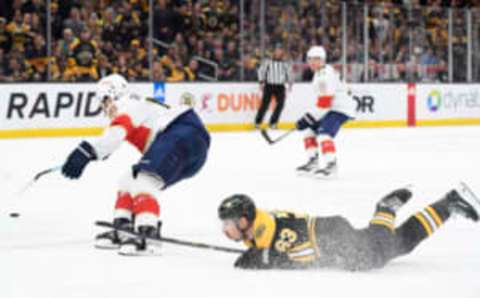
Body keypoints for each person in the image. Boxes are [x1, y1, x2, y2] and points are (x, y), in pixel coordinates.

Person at [61, 73, 210, 255]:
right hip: (191, 148)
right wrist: (91, 153)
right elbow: (111, 140)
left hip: (181, 134)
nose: (104, 107)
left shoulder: (126, 103)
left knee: (143, 180)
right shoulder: (136, 105)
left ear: (112, 95)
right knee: (128, 180)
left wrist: (84, 152)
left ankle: (148, 234)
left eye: (104, 101)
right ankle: (124, 227)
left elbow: (115, 136)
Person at [218, 182, 480, 270]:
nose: (225, 230)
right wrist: (260, 254)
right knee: (397, 243)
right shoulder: (258, 226)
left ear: (243, 221)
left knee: (379, 254)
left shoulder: (271, 234)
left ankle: (390, 209)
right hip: (332, 231)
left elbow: (305, 254)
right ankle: (442, 206)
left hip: (334, 237)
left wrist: (266, 259)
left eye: (228, 224)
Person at [295, 46, 355, 178]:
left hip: (340, 109)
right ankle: (313, 162)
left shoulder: (324, 75)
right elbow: (324, 104)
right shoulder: (320, 73)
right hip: (332, 108)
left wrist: (307, 119)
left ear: (323, 60)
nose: (312, 62)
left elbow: (324, 103)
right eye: (310, 59)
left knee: (324, 134)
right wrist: (308, 119)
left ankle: (331, 165)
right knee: (309, 133)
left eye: (316, 59)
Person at [255, 45, 293, 129]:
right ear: (274, 51)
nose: (279, 52)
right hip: (269, 85)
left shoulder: (285, 62)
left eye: (280, 50)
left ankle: (273, 123)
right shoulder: (268, 61)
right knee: (265, 104)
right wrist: (261, 82)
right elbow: (261, 70)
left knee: (281, 104)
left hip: (280, 86)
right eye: (277, 50)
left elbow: (289, 73)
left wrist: (290, 83)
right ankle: (258, 122)